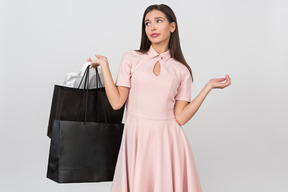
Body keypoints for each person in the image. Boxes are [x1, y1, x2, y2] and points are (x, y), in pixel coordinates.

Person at [88, 4, 231, 192]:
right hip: (137, 137)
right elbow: (116, 103)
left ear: (172, 26)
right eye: (147, 23)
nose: (152, 27)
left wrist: (208, 87)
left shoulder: (181, 71)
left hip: (168, 141)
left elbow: (180, 117)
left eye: (158, 21)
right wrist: (105, 66)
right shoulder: (131, 58)